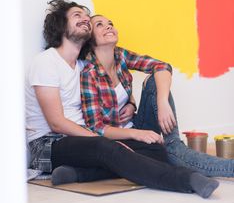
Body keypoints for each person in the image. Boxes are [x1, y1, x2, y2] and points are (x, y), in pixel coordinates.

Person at [25, 0, 220, 199]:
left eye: (86, 17)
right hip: (48, 146)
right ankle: (186, 179)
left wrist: (131, 103)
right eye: (77, 16)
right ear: (61, 25)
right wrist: (107, 141)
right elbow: (56, 123)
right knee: (106, 147)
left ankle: (81, 173)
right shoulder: (46, 62)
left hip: (81, 140)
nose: (85, 19)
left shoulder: (83, 65)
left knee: (154, 149)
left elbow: (115, 83)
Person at [80, 14, 234, 178]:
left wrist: (161, 102)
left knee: (154, 81)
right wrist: (136, 134)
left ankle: (173, 144)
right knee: (165, 154)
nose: (108, 26)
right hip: (119, 141)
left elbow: (161, 66)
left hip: (136, 125)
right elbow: (97, 129)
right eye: (100, 25)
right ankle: (224, 166)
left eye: (110, 23)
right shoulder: (89, 74)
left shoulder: (120, 56)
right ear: (90, 39)